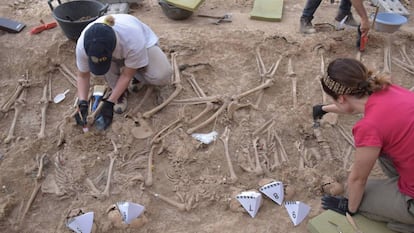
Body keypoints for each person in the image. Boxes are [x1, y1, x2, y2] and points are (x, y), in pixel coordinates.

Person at [315, 58, 414, 233]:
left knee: (357, 194)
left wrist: (350, 208)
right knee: (384, 148)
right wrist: (324, 108)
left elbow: (358, 180)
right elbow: (353, 105)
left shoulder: (369, 127)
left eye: (334, 100)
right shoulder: (389, 89)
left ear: (341, 97)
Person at [75, 14, 172, 130]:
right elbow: (83, 76)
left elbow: (127, 75)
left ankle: (138, 71)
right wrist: (83, 103)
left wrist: (109, 103)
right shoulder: (83, 45)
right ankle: (119, 92)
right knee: (105, 67)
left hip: (142, 46)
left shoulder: (133, 40)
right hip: (114, 53)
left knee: (162, 76)